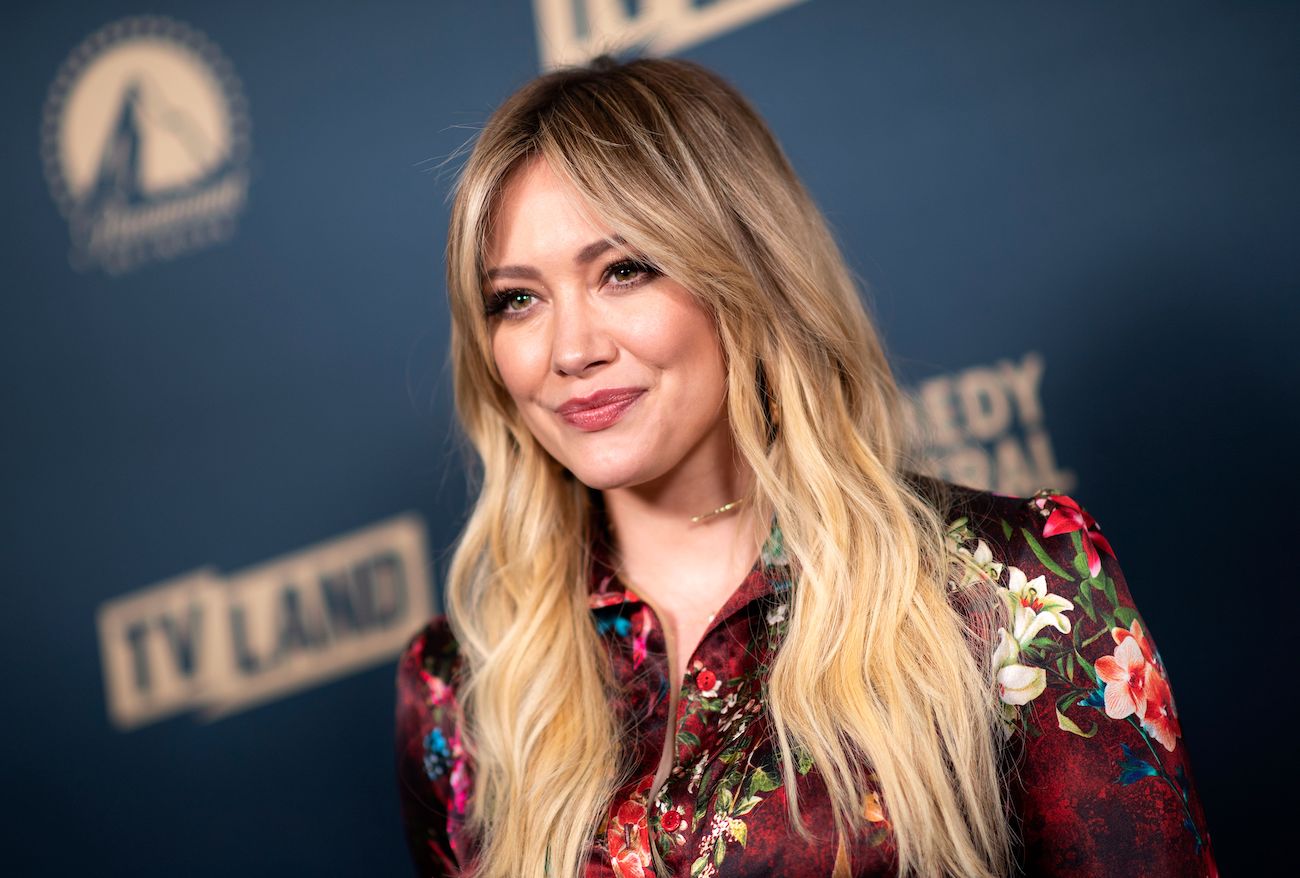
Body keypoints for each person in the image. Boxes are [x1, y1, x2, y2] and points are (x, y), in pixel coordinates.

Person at [394, 55, 1216, 878]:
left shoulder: (1009, 585)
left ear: (746, 274)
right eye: (518, 299)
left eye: (624, 270)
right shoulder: (459, 688)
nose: (571, 350)